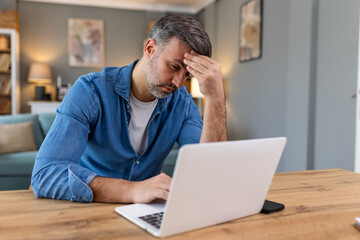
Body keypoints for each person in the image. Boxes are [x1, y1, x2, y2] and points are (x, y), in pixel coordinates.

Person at [31, 14, 227, 203]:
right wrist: (132, 190)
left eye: (187, 75)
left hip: (146, 214)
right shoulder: (90, 91)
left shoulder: (182, 103)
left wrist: (215, 98)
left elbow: (210, 172)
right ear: (150, 48)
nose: (178, 82)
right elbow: (45, 174)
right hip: (90, 211)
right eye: (174, 67)